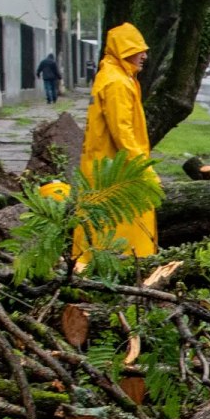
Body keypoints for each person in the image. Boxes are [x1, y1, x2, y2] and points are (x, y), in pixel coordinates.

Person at [76, 22, 160, 259]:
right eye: (139, 50)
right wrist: (144, 169)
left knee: (100, 222)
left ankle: (94, 266)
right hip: (116, 169)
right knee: (124, 222)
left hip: (105, 165)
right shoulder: (117, 83)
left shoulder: (113, 76)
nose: (144, 55)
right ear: (124, 50)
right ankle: (131, 266)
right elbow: (122, 132)